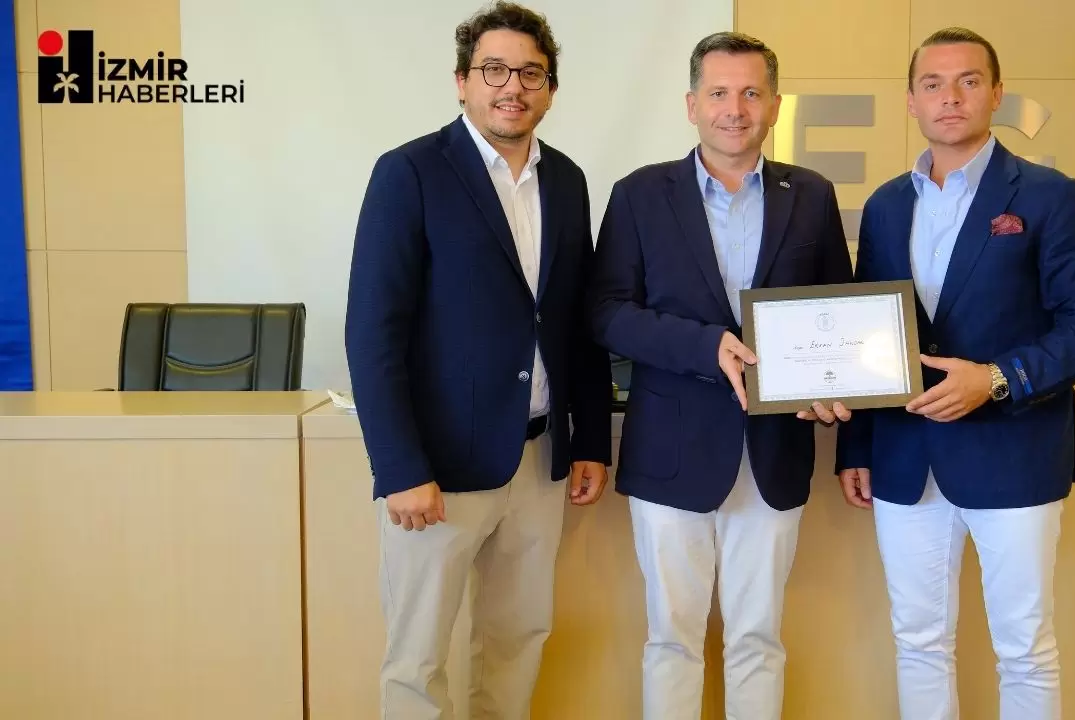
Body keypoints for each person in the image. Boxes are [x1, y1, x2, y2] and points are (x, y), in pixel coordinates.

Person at [835, 27, 1075, 720]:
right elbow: (871, 335)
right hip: (906, 458)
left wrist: (996, 378)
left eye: (968, 81)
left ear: (996, 94)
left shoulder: (1049, 196)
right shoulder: (886, 206)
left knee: (1024, 646)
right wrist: (856, 447)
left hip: (1012, 451)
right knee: (917, 641)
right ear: (911, 101)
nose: (950, 97)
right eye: (932, 84)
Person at [344, 2, 613, 718]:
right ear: (462, 81)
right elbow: (372, 332)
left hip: (538, 459)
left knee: (517, 639)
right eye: (494, 70)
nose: (512, 87)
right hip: (438, 468)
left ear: (550, 89)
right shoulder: (409, 172)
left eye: (530, 73)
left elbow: (575, 321)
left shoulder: (567, 180)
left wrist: (589, 439)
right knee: (418, 659)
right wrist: (399, 468)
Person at [588, 31, 854, 720]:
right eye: (718, 93)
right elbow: (606, 312)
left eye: (750, 93)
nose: (734, 109)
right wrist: (704, 345)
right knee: (671, 639)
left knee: (758, 637)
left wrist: (833, 384)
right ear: (691, 104)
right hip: (670, 451)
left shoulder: (812, 194)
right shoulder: (640, 194)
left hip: (775, 450)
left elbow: (837, 313)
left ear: (774, 104)